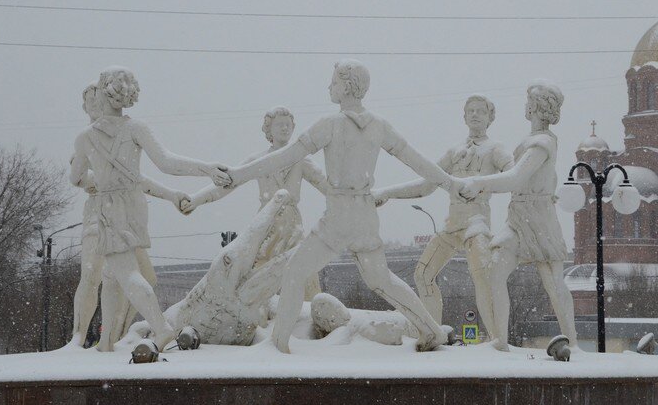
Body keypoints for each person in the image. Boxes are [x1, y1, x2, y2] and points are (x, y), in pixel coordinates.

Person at [225, 60, 460, 353]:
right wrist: (452, 184)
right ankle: (431, 330)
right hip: (364, 214)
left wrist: (238, 174)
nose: (329, 87)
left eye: (333, 82)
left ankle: (279, 345)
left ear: (347, 87)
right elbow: (417, 160)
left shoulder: (330, 125)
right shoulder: (379, 126)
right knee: (382, 280)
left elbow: (285, 156)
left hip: (338, 216)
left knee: (295, 273)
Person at [69, 66, 231, 351]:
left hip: (110, 206)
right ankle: (107, 342)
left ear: (103, 95)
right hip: (134, 204)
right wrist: (205, 168)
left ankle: (161, 328)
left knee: (127, 272)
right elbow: (167, 163)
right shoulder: (136, 129)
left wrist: (96, 180)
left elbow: (76, 178)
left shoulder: (85, 138)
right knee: (113, 274)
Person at [373, 95, 512, 338]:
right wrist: (388, 193)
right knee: (423, 274)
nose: (475, 114)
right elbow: (426, 184)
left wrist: (480, 183)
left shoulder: (495, 149)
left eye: (481, 111)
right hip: (451, 227)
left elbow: (514, 176)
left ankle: (497, 341)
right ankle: (432, 333)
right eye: (470, 110)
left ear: (491, 118)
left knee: (484, 281)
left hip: (476, 225)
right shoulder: (454, 152)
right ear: (464, 116)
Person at [460, 82, 578, 351]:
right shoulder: (531, 141)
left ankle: (572, 342)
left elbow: (516, 177)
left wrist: (479, 183)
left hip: (538, 219)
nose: (526, 106)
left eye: (529, 102)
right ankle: (500, 341)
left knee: (553, 282)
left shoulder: (542, 142)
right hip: (518, 215)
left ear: (536, 107)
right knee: (495, 272)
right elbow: (527, 177)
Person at [70, 84, 189, 348]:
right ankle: (80, 340)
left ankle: (110, 338)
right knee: (94, 276)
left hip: (115, 210)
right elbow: (80, 178)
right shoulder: (88, 139)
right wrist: (99, 181)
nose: (96, 105)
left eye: (98, 100)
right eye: (91, 101)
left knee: (122, 275)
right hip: (100, 214)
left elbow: (136, 178)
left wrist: (169, 194)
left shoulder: (117, 134)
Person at [181, 106, 328, 299]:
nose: (285, 128)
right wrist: (197, 199)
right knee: (260, 269)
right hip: (266, 221)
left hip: (292, 223)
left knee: (302, 269)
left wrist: (358, 197)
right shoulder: (258, 160)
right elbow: (228, 183)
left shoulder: (300, 160)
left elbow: (325, 184)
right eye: (279, 125)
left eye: (288, 125)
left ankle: (307, 312)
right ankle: (260, 313)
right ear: (269, 130)